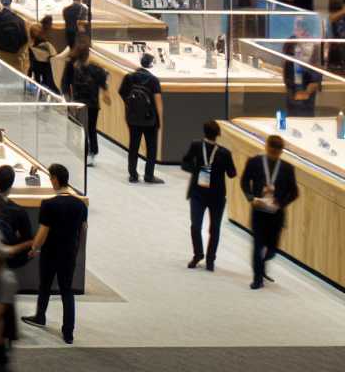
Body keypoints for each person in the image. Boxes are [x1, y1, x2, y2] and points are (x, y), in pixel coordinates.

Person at [20, 164, 85, 344]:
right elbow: (83, 229)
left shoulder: (49, 204)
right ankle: (68, 332)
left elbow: (43, 232)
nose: (50, 181)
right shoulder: (80, 204)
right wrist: (75, 249)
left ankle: (40, 316)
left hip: (50, 253)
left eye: (50, 178)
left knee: (45, 286)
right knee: (66, 290)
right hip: (69, 253)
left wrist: (34, 248)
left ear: (55, 179)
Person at [242, 134, 299, 290]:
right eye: (271, 150)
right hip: (259, 211)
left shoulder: (287, 168)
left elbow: (294, 192)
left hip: (276, 214)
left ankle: (263, 263)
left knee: (273, 248)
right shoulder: (254, 162)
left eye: (277, 151)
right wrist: (251, 198)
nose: (274, 153)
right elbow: (244, 181)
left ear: (281, 152)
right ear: (266, 147)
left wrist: (280, 203)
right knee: (257, 245)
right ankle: (257, 278)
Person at [179, 119, 237, 271]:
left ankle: (203, 256)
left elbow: (184, 163)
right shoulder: (219, 152)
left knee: (196, 226)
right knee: (213, 228)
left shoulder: (202, 147)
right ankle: (206, 257)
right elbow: (232, 174)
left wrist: (197, 171)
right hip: (211, 195)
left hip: (203, 194)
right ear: (218, 134)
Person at [119, 53, 165, 183]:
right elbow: (158, 102)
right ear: (151, 64)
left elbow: (122, 93)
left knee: (133, 146)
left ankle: (133, 175)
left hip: (133, 118)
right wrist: (160, 120)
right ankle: (149, 175)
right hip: (150, 119)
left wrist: (130, 107)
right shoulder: (153, 80)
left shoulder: (129, 77)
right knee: (151, 148)